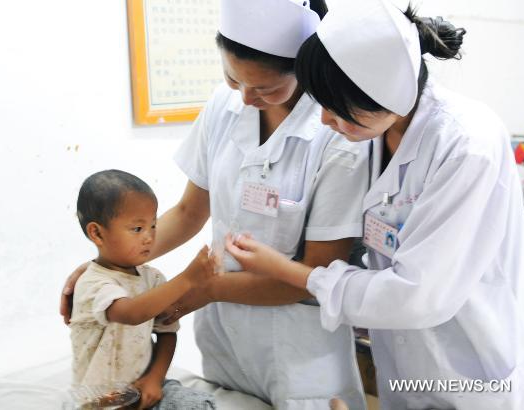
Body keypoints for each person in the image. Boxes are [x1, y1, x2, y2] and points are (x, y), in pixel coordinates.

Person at [225, 1, 524, 409]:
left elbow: (418, 295)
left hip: (475, 365)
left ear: (386, 97)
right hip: (408, 361)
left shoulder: (467, 144)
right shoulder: (375, 133)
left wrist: (294, 273)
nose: (325, 121)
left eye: (338, 111)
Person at [61, 0, 370, 408]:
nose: (244, 98)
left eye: (264, 88)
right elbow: (189, 212)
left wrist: (203, 287)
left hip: (299, 344)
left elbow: (314, 273)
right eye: (232, 77)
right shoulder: (224, 107)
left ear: (306, 67)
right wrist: (110, 266)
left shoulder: (337, 135)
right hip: (226, 336)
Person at [70, 170, 216, 409]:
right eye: (137, 229)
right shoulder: (92, 284)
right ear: (97, 233)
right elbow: (131, 314)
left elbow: (167, 331)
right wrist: (187, 279)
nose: (149, 237)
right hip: (99, 399)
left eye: (153, 225)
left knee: (198, 405)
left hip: (145, 388)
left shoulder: (153, 278)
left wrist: (154, 379)